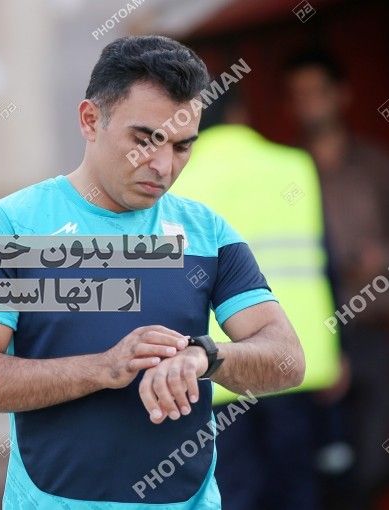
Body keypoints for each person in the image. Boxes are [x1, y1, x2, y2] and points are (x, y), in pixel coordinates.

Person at [0, 35, 305, 509]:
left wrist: (206, 357)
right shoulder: (13, 225)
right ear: (90, 120)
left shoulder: (207, 232)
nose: (163, 166)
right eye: (145, 139)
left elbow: (288, 361)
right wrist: (103, 368)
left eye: (182, 146)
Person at [169, 91, 341, 510]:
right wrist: (341, 350)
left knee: (234, 493)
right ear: (241, 112)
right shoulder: (294, 165)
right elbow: (327, 260)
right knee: (298, 489)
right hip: (295, 362)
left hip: (215, 369)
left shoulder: (177, 179)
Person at [285, 49, 389, 508]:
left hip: (374, 330)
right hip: (311, 341)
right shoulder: (287, 169)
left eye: (318, 90)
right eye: (299, 94)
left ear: (342, 95)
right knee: (318, 465)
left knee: (373, 460)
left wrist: (380, 257)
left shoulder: (375, 165)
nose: (309, 102)